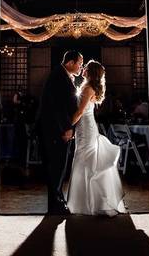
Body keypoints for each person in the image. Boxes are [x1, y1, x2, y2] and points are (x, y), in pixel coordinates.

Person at [66, 60, 127, 216]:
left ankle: (88, 202)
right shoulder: (86, 86)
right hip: (85, 127)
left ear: (90, 71)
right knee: (85, 160)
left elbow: (79, 112)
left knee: (83, 160)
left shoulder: (88, 89)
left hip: (85, 127)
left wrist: (67, 126)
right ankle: (87, 200)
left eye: (86, 67)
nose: (83, 68)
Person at [37, 50, 83, 214]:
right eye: (79, 63)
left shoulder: (62, 75)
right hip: (56, 130)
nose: (80, 67)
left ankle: (57, 201)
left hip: (57, 129)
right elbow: (57, 107)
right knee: (57, 166)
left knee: (59, 167)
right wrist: (67, 128)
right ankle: (55, 205)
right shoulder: (58, 77)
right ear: (70, 62)